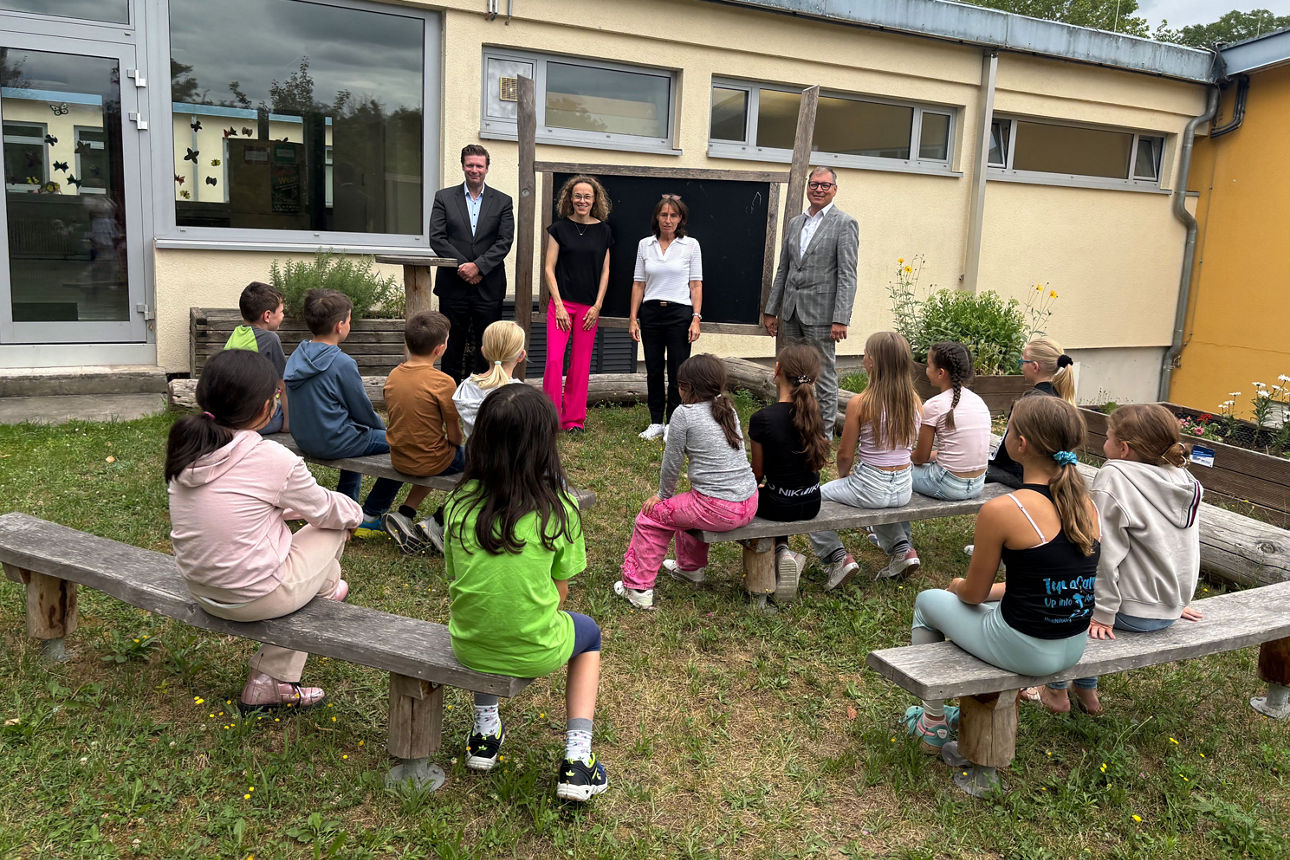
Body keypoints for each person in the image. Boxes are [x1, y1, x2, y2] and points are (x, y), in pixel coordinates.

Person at [900, 395, 1100, 753]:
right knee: (988, 611)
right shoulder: (1086, 505)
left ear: (1020, 445)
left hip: (1027, 647)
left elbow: (972, 595)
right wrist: (991, 593)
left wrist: (957, 586)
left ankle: (931, 721)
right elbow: (1049, 582)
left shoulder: (1004, 509)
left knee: (928, 601)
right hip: (1073, 645)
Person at [167, 349, 361, 711]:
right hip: (253, 596)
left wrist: (289, 510)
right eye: (275, 397)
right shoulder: (273, 459)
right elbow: (325, 511)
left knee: (321, 548)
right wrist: (354, 514)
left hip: (199, 586)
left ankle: (325, 585)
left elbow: (242, 503)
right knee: (333, 529)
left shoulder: (186, 448)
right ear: (263, 408)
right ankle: (272, 679)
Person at [444, 385, 609, 802]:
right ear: (545, 445)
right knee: (588, 634)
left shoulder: (458, 502)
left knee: (490, 613)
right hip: (535, 645)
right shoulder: (560, 507)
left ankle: (484, 731)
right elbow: (560, 590)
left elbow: (456, 578)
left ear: (480, 440)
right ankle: (578, 757)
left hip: (468, 644)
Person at [1035, 403, 1203, 715]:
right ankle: (1087, 690)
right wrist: (1176, 599)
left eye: (1108, 436)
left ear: (1123, 449)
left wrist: (1103, 613)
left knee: (1061, 592)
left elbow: (1102, 552)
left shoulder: (1114, 475)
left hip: (1131, 611)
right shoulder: (1183, 479)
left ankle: (1056, 689)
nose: (1105, 442)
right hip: (1167, 607)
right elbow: (1183, 546)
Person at [616, 354, 759, 610]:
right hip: (748, 503)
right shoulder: (728, 407)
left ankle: (637, 587)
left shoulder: (684, 413)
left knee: (651, 516)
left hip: (718, 509)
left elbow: (671, 463)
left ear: (686, 387)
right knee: (685, 504)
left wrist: (661, 495)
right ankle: (691, 569)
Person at [284, 289, 401, 537]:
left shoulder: (297, 354)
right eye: (349, 320)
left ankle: (347, 503)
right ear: (340, 326)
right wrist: (384, 430)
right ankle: (371, 513)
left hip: (304, 437)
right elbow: (362, 411)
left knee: (355, 432)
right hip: (333, 441)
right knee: (406, 444)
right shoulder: (342, 363)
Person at [810, 332, 922, 589]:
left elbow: (845, 453)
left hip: (870, 484)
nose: (863, 359)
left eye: (866, 354)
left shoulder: (861, 402)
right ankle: (902, 550)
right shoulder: (915, 401)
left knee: (811, 500)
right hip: (903, 486)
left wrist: (844, 476)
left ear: (874, 362)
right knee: (879, 502)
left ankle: (836, 558)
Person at [762, 166, 859, 434]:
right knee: (792, 372)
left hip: (822, 315)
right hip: (791, 313)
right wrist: (772, 310)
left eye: (825, 185)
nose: (819, 189)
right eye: (814, 184)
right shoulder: (796, 222)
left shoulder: (845, 223)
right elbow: (785, 269)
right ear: (807, 187)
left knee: (824, 376)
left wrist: (841, 318)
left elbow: (848, 275)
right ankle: (793, 426)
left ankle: (824, 434)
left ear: (834, 190)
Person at [886, 342, 992, 566]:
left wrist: (904, 459)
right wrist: (936, 456)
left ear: (941, 373)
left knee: (893, 476)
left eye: (928, 365)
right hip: (978, 483)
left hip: (948, 484)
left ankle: (901, 544)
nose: (926, 369)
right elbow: (957, 451)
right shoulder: (979, 402)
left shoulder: (934, 405)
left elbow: (920, 458)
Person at [378, 311, 465, 556]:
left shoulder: (394, 374)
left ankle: (405, 513)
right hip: (432, 460)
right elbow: (454, 435)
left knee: (431, 452)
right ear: (440, 349)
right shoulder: (443, 382)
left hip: (399, 456)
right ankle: (439, 521)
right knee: (487, 465)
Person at [429, 144, 516, 383]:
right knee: (450, 344)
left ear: (487, 168)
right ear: (463, 166)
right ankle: (450, 396)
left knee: (487, 345)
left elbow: (504, 241)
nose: (474, 170)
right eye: (470, 165)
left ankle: (483, 396)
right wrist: (465, 267)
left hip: (488, 286)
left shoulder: (503, 201)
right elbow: (437, 238)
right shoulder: (444, 198)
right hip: (452, 285)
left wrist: (478, 267)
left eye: (479, 165)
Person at [748, 343, 830, 596]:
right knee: (775, 492)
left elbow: (757, 474)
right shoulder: (816, 413)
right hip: (812, 502)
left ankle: (776, 562)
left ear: (777, 370)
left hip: (778, 505)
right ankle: (783, 552)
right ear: (814, 378)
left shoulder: (762, 418)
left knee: (745, 504)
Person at [628, 194, 703, 440]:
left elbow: (695, 285)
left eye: (673, 215)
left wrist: (695, 318)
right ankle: (655, 421)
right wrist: (632, 318)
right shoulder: (644, 245)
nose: (668, 220)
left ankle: (674, 422)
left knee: (678, 371)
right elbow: (638, 284)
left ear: (680, 218)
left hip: (679, 313)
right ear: (657, 217)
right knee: (653, 369)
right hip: (651, 313)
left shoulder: (691, 245)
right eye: (663, 215)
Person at [543, 175, 614, 433]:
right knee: (553, 361)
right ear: (569, 199)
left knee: (581, 364)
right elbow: (549, 269)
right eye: (577, 196)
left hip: (588, 308)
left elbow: (606, 271)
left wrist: (597, 306)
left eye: (587, 196)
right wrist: (559, 305)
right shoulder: (559, 229)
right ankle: (550, 418)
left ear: (595, 200)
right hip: (561, 306)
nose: (582, 200)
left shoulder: (604, 231)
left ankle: (573, 420)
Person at [986, 337, 1077, 489]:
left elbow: (1006, 452)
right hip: (1049, 472)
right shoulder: (1060, 399)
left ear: (1035, 367)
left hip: (1022, 475)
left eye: (1022, 362)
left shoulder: (1028, 403)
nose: (1021, 367)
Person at [223, 281, 289, 435]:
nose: (283, 316)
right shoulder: (269, 339)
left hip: (230, 416)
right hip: (253, 420)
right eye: (281, 312)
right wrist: (287, 425)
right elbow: (285, 385)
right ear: (267, 315)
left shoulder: (237, 333)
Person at [453, 319, 526, 441]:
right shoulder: (523, 394)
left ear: (484, 352)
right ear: (521, 356)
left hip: (475, 456)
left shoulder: (467, 386)